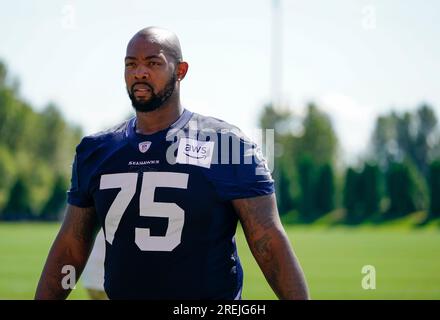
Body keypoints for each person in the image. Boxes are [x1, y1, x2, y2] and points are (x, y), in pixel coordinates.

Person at [35, 26, 309, 300]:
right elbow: (72, 246)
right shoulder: (97, 150)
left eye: (153, 63)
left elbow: (267, 242)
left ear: (180, 70)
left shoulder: (226, 144)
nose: (139, 72)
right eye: (131, 64)